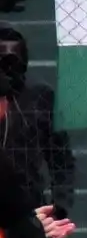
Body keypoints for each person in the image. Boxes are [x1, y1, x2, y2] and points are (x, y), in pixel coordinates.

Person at [0, 25, 74, 217]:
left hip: (28, 205)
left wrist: (60, 204)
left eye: (11, 62)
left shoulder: (40, 96)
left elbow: (60, 157)